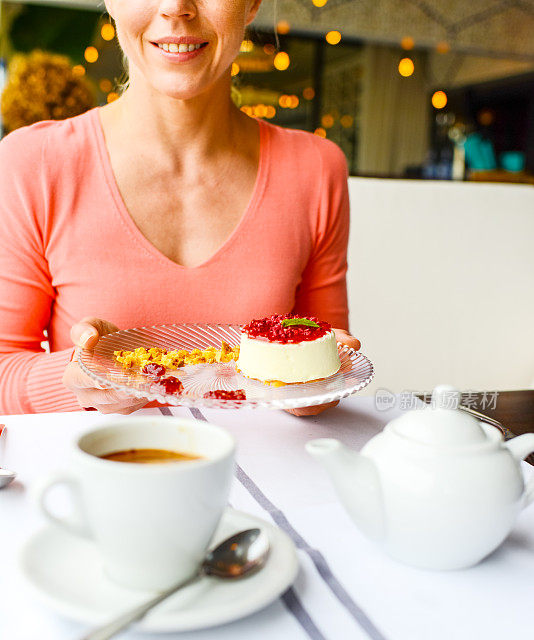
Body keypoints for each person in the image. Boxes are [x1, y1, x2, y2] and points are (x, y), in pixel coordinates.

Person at [0, 0, 360, 417]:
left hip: (258, 476)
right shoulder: (34, 162)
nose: (176, 7)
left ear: (251, 4)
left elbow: (327, 370)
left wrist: (311, 388)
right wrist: (80, 377)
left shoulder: (316, 169)